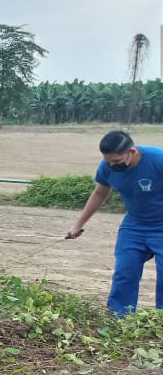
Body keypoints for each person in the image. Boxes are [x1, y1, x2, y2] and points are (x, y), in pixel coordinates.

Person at [66, 129, 163, 316]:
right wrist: (78, 225)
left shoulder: (158, 160)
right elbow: (99, 193)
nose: (111, 165)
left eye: (116, 161)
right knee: (125, 271)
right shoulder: (107, 167)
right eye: (108, 161)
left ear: (132, 152)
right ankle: (119, 318)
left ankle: (160, 322)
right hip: (134, 225)